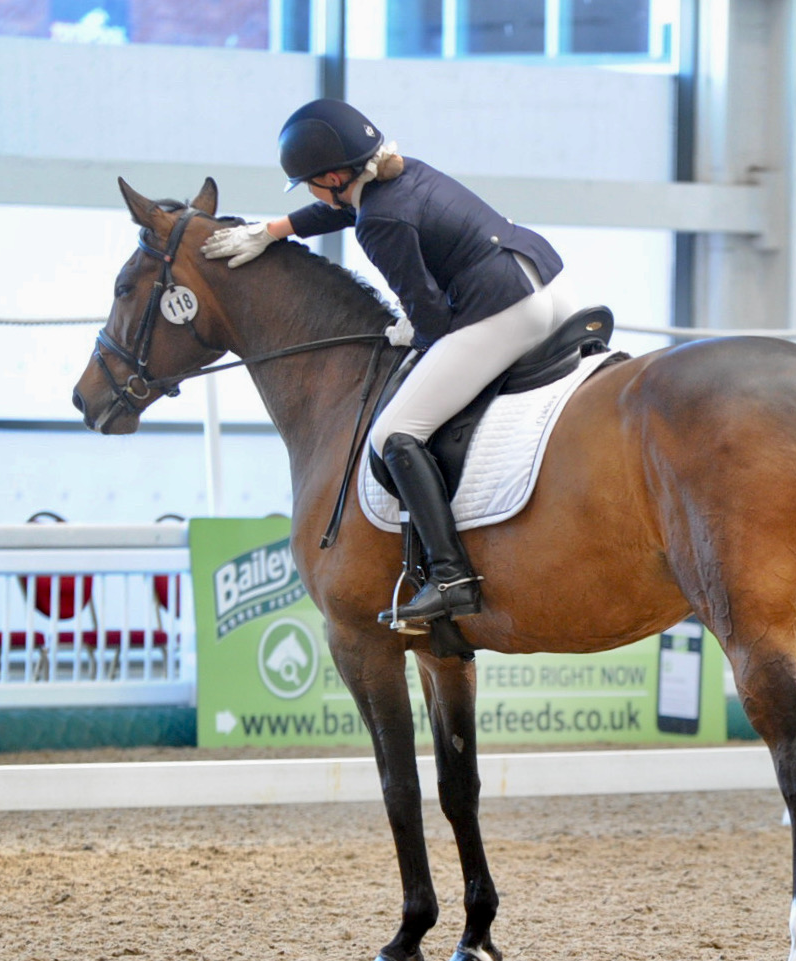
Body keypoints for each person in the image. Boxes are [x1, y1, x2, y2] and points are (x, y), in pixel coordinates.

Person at [201, 99, 579, 627]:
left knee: (395, 434)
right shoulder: (400, 175)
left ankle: (451, 576)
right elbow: (339, 208)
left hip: (503, 311)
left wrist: (411, 331)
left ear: (335, 176)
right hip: (539, 284)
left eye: (311, 181)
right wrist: (271, 231)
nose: (311, 191)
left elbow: (427, 314)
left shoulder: (378, 221)